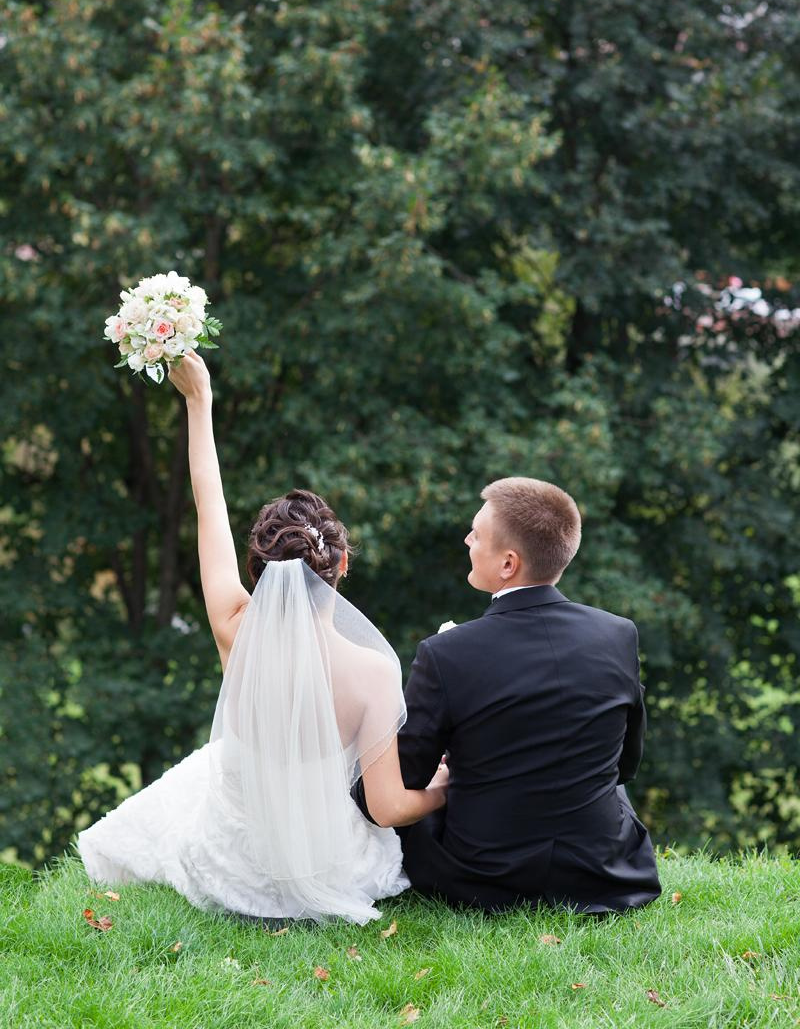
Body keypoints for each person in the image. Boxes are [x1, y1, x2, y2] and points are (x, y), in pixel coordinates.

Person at [77, 352, 447, 924]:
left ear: (258, 570)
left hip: (232, 864)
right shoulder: (374, 670)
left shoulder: (234, 625)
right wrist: (446, 784)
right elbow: (388, 806)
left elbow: (208, 502)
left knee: (204, 771)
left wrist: (198, 403)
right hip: (331, 864)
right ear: (342, 563)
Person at [354, 476, 661, 913]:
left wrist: (453, 770)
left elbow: (404, 780)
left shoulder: (445, 653)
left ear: (507, 564)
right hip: (601, 873)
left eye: (476, 534)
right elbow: (625, 765)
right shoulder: (617, 634)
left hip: (487, 877)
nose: (467, 539)